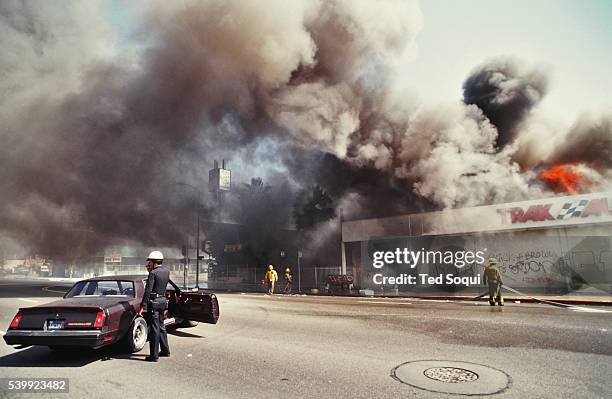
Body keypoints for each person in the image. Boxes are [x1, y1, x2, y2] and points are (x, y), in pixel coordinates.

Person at [138, 250, 170, 361]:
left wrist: (142, 305)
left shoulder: (153, 273)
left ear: (154, 262)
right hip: (162, 301)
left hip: (154, 303)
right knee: (161, 326)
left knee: (155, 329)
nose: (149, 264)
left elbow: (148, 290)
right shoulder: (166, 271)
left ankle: (154, 355)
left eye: (150, 262)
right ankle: (165, 350)